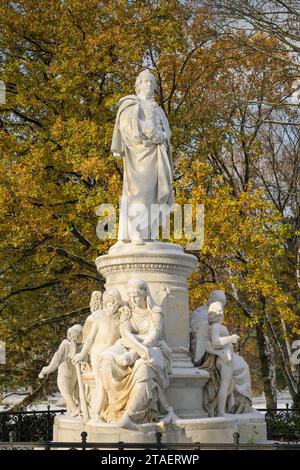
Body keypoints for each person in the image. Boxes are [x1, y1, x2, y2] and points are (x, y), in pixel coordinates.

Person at [99, 279, 173, 430]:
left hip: (154, 348)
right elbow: (125, 333)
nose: (133, 299)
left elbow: (154, 336)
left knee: (143, 367)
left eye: (136, 295)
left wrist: (134, 353)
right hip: (130, 345)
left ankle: (130, 415)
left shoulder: (156, 312)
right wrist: (137, 347)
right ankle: (115, 406)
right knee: (107, 359)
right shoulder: (127, 311)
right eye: (130, 295)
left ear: (145, 293)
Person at [111, 70, 175, 244]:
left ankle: (147, 231)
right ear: (138, 85)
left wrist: (159, 135)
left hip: (158, 155)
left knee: (155, 193)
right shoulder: (131, 104)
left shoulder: (159, 109)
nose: (148, 85)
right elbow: (126, 128)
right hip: (139, 155)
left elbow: (167, 132)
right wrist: (149, 130)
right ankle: (135, 231)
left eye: (151, 82)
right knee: (140, 191)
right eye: (145, 81)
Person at [190, 291, 252, 416]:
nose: (223, 307)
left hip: (223, 354)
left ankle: (232, 405)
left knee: (238, 371)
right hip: (215, 355)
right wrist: (230, 340)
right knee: (230, 380)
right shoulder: (202, 316)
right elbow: (205, 342)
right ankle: (223, 409)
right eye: (221, 304)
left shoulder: (214, 323)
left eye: (223, 303)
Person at [72, 289, 122, 422]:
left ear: (117, 304)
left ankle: (109, 412)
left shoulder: (120, 318)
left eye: (112, 304)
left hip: (112, 355)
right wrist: (82, 354)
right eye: (106, 304)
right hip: (98, 353)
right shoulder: (99, 317)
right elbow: (89, 339)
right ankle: (98, 414)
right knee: (101, 383)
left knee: (110, 383)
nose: (109, 307)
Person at [38, 324, 83, 416]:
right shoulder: (81, 347)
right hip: (74, 372)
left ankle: (74, 410)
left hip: (65, 370)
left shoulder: (65, 343)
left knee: (65, 392)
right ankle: (71, 412)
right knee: (70, 393)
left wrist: (48, 369)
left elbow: (57, 357)